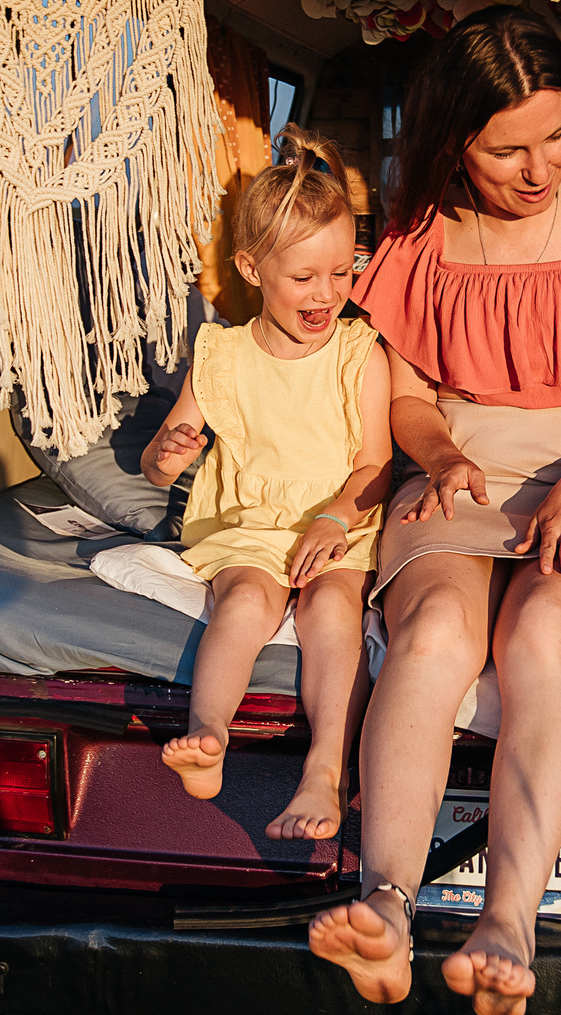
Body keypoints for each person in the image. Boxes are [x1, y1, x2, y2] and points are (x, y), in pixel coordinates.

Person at [306, 8, 561, 1015]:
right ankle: (384, 900)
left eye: (555, 137)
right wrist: (442, 459)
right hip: (459, 473)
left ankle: (507, 922)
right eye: (505, 149)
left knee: (546, 638)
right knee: (430, 636)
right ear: (450, 141)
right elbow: (410, 396)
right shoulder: (419, 241)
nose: (537, 168)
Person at [142, 128, 391, 843]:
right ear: (251, 267)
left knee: (333, 614)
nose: (327, 295)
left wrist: (336, 520)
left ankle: (324, 768)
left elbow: (376, 464)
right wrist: (167, 453)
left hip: (337, 521)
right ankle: (208, 736)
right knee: (248, 599)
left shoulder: (358, 352)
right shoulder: (221, 355)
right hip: (249, 521)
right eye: (304, 278)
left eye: (342, 273)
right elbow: (160, 465)